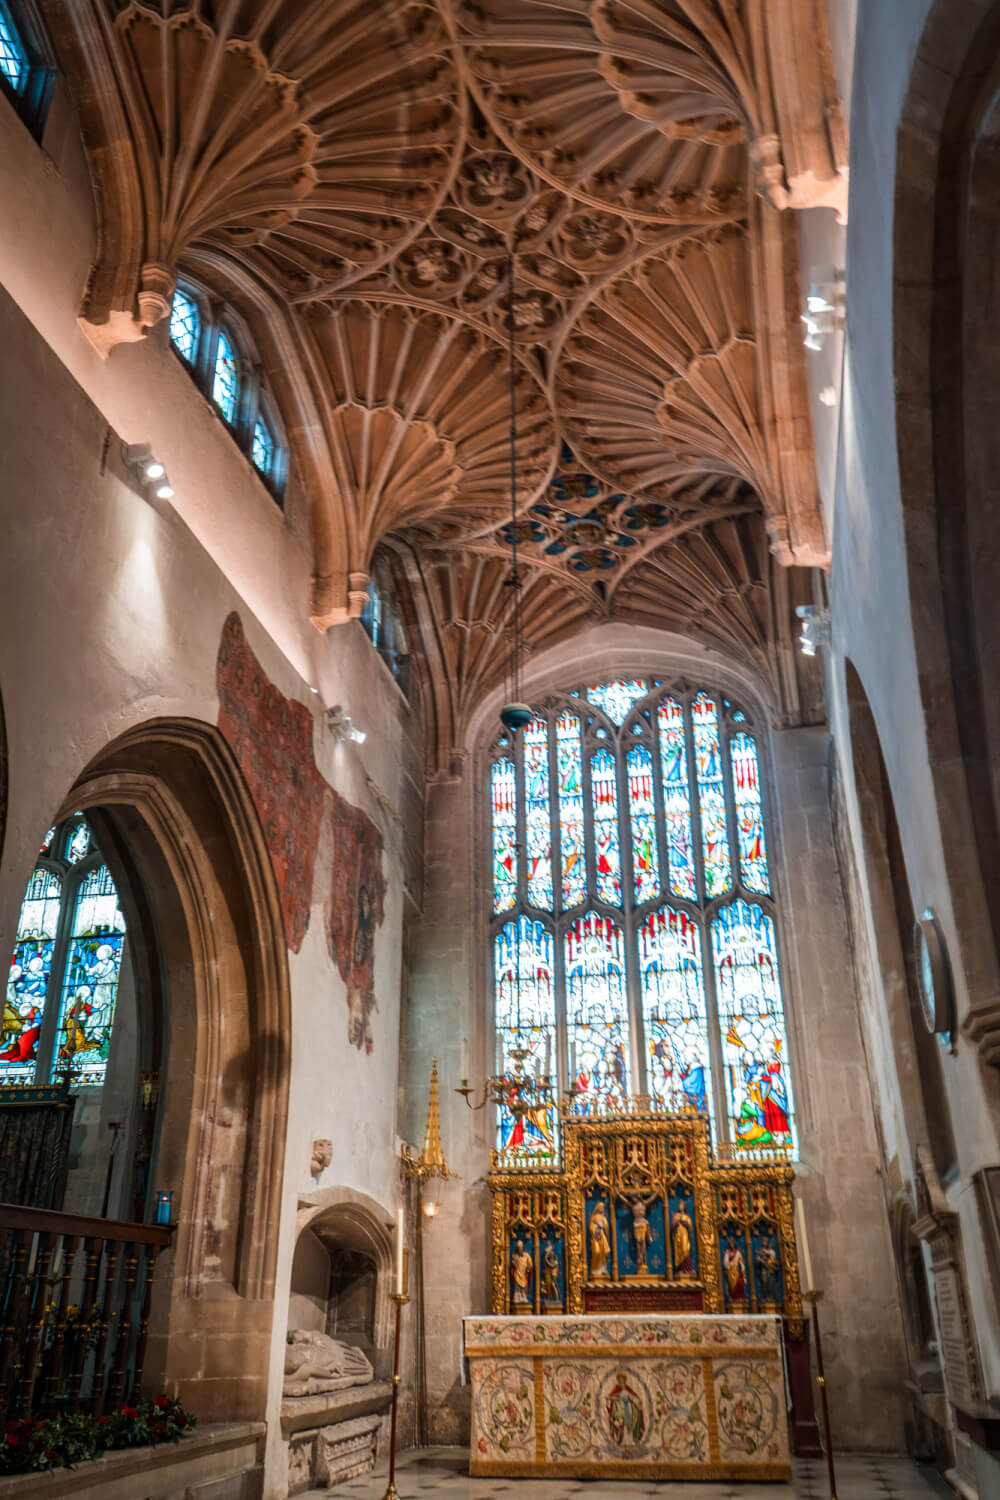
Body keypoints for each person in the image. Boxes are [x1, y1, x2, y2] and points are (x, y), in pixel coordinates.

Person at [605, 1370, 646, 1449]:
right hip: (620, 1409)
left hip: (628, 1408)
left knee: (629, 1424)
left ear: (624, 1380)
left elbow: (633, 1397)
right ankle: (623, 1441)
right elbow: (611, 1398)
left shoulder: (628, 1388)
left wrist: (638, 1402)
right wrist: (609, 1399)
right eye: (619, 1379)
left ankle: (630, 1441)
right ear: (618, 1380)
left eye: (622, 1379)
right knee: (622, 1425)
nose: (621, 1381)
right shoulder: (616, 1388)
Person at [671, 1198, 695, 1278]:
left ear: (684, 1207)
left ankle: (688, 1269)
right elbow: (673, 1226)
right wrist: (677, 1223)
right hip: (678, 1237)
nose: (680, 1206)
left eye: (682, 1205)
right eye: (679, 1205)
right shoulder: (676, 1216)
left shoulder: (687, 1217)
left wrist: (684, 1223)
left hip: (685, 1236)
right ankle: (681, 1270)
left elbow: (690, 1228)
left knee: (686, 1250)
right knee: (680, 1252)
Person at [589, 1199, 611, 1277]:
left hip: (602, 1237)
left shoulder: (603, 1217)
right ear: (598, 1207)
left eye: (603, 1207)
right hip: (595, 1238)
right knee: (596, 1252)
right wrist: (596, 1227)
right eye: (601, 1207)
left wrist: (603, 1227)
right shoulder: (594, 1217)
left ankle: (602, 1269)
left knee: (603, 1253)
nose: (602, 1208)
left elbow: (606, 1227)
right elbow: (591, 1227)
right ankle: (595, 1270)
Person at [724, 1235, 748, 1303]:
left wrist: (740, 1265)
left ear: (734, 1243)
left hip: (738, 1271)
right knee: (732, 1286)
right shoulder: (727, 1252)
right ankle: (734, 1298)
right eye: (730, 1242)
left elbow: (741, 1262)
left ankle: (740, 1298)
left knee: (740, 1283)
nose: (731, 1244)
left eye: (732, 1242)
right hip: (731, 1272)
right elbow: (725, 1263)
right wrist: (730, 1264)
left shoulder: (738, 1252)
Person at [510, 1239, 533, 1306]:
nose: (520, 1250)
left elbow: (530, 1264)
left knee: (523, 1287)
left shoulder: (527, 1255)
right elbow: (513, 1264)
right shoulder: (515, 1255)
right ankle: (517, 1298)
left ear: (523, 1248)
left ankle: (523, 1297)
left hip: (524, 1274)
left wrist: (528, 1267)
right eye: (519, 1248)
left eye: (521, 1248)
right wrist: (514, 1263)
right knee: (517, 1287)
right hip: (517, 1273)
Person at [540, 1240, 560, 1305]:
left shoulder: (555, 1259)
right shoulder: (548, 1257)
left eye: (551, 1254)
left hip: (554, 1274)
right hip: (549, 1272)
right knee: (548, 1285)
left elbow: (553, 1265)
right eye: (550, 1255)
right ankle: (550, 1297)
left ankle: (557, 1299)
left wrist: (547, 1261)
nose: (551, 1255)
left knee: (553, 1285)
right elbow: (546, 1259)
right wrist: (547, 1258)